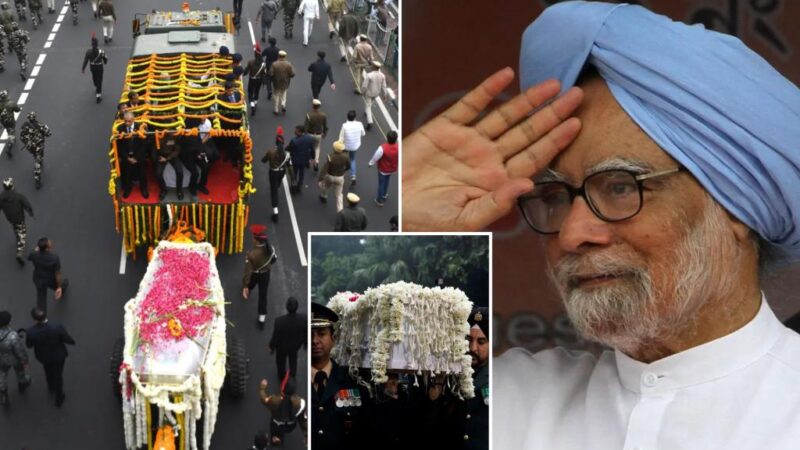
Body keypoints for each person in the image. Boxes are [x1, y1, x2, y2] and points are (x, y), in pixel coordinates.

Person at [403, 3, 800, 449]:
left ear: (735, 209)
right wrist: (403, 215)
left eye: (619, 187)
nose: (571, 236)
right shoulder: (503, 402)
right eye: (554, 197)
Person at [311, 302, 370, 449]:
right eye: (309, 335)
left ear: (333, 339)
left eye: (321, 334)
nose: (314, 341)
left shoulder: (351, 381)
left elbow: (363, 430)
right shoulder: (295, 381)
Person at [25, 307, 75, 407]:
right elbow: (67, 338)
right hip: (59, 356)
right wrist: (72, 342)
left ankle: (51, 386)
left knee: (48, 370)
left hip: (43, 357)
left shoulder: (31, 332)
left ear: (34, 319)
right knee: (58, 375)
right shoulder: (57, 327)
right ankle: (59, 397)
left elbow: (29, 345)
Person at [243, 224, 277, 330]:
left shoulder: (252, 254)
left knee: (251, 283)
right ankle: (261, 319)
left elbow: (247, 271)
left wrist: (245, 285)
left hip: (256, 274)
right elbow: (274, 259)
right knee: (263, 295)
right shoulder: (270, 248)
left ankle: (248, 289)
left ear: (256, 240)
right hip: (266, 274)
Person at [259, 376, 308, 446]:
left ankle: (276, 441)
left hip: (276, 425)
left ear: (282, 389)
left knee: (275, 439)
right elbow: (303, 420)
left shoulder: (274, 401)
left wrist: (262, 388)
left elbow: (263, 399)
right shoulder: (300, 403)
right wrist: (307, 434)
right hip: (290, 426)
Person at [269, 296, 306, 381]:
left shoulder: (279, 321)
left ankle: (282, 377)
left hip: (282, 347)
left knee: (280, 362)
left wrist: (271, 347)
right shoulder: (304, 319)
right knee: (293, 359)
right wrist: (306, 344)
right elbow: (306, 332)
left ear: (286, 307)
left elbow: (275, 336)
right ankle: (292, 376)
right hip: (295, 346)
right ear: (297, 307)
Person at [260, 126, 292, 222]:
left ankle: (275, 211)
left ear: (276, 142)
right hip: (282, 172)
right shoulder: (287, 154)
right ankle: (277, 185)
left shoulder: (271, 152)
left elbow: (264, 160)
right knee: (277, 183)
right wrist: (293, 179)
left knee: (274, 192)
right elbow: (289, 166)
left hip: (273, 172)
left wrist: (265, 159)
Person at [28, 237, 68, 312]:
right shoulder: (54, 258)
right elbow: (57, 274)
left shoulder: (34, 254)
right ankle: (62, 289)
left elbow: (29, 257)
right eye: (49, 243)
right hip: (50, 279)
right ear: (47, 249)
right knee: (61, 285)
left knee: (41, 298)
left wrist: (35, 250)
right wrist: (59, 286)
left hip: (38, 278)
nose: (51, 243)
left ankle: (41, 317)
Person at [0, 177, 34, 265]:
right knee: (23, 236)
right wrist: (31, 213)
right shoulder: (18, 196)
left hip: (11, 219)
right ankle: (19, 253)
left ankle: (17, 235)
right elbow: (27, 205)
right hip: (19, 219)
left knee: (15, 227)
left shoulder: (1, 198)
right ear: (12, 186)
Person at [0, 310, 31, 405]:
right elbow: (19, 351)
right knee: (20, 371)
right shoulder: (13, 336)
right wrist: (25, 361)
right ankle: (22, 384)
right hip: (14, 359)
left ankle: (3, 391)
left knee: (2, 375)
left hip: (1, 359)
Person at [117, 111, 149, 199]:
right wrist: (127, 158)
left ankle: (144, 189)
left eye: (129, 121)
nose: (127, 123)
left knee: (142, 173)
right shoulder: (120, 128)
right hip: (127, 157)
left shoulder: (140, 127)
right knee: (127, 174)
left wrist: (136, 158)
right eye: (125, 121)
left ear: (133, 120)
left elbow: (144, 144)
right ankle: (128, 189)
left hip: (139, 156)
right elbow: (119, 146)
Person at [19, 111, 51, 189]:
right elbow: (49, 134)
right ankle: (37, 180)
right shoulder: (40, 125)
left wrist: (28, 142)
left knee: (36, 156)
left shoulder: (25, 126)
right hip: (39, 146)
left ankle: (39, 161)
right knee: (38, 161)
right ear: (35, 117)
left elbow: (21, 137)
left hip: (31, 148)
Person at [216, 80, 244, 166]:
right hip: (227, 123)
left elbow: (241, 107)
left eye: (232, 90)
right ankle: (228, 155)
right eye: (229, 91)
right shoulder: (220, 98)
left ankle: (234, 158)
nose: (231, 93)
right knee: (228, 141)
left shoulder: (237, 95)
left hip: (237, 123)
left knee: (236, 141)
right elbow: (220, 112)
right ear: (225, 90)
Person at [179, 119, 209, 197]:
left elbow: (199, 143)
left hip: (196, 153)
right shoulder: (184, 132)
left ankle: (201, 185)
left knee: (206, 166)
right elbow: (186, 148)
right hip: (186, 156)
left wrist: (200, 153)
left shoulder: (196, 130)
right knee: (195, 173)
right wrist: (197, 153)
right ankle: (192, 187)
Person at [367, 129, 397, 206]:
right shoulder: (398, 147)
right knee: (387, 181)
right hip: (392, 169)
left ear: (387, 138)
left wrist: (371, 163)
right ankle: (384, 194)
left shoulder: (382, 148)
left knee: (381, 183)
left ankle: (379, 200)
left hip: (383, 169)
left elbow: (376, 157)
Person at [318, 141, 349, 211]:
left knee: (325, 186)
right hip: (340, 177)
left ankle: (324, 196)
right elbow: (348, 166)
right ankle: (340, 210)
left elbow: (325, 168)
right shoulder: (346, 157)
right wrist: (344, 171)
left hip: (330, 176)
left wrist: (320, 178)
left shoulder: (330, 157)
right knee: (339, 195)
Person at [339, 110, 365, 185]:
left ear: (347, 117)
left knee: (344, 159)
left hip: (345, 146)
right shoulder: (359, 124)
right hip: (355, 146)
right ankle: (353, 176)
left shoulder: (344, 125)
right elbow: (363, 134)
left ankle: (342, 174)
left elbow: (341, 137)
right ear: (355, 117)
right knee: (352, 159)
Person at [286, 125, 315, 194]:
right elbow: (312, 149)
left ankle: (293, 186)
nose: (294, 131)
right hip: (304, 160)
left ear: (299, 132)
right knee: (302, 173)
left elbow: (288, 148)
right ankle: (299, 186)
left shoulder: (294, 141)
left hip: (295, 160)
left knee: (294, 173)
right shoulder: (309, 138)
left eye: (296, 130)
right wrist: (312, 157)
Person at [81, 32, 107, 103]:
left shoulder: (88, 52)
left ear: (91, 44)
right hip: (99, 67)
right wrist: (104, 62)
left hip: (92, 67)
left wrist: (83, 68)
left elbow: (85, 61)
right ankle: (98, 96)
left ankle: (96, 85)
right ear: (97, 44)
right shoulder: (101, 51)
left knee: (94, 78)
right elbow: (105, 59)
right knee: (99, 81)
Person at [361, 60, 387, 131]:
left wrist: (362, 92)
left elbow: (364, 86)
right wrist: (385, 94)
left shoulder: (369, 75)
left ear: (374, 67)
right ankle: (366, 112)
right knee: (370, 104)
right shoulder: (382, 75)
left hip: (369, 93)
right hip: (376, 94)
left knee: (368, 106)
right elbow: (384, 86)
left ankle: (370, 122)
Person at [269, 50, 294, 116]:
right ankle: (283, 104)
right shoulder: (289, 64)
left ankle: (276, 109)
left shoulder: (274, 64)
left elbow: (271, 73)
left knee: (276, 95)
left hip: (276, 83)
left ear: (278, 56)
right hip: (285, 82)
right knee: (284, 94)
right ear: (285, 56)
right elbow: (292, 74)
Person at [304, 98, 328, 168]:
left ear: (312, 106)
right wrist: (324, 133)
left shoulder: (309, 115)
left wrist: (305, 134)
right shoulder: (323, 115)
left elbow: (306, 126)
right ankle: (316, 161)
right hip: (318, 134)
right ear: (319, 106)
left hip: (309, 134)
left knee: (308, 147)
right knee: (317, 147)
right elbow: (325, 126)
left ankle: (308, 161)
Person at [244, 43, 267, 116]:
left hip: (252, 79)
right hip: (259, 80)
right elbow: (264, 72)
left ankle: (252, 105)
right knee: (257, 91)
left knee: (250, 93)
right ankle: (256, 101)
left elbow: (246, 71)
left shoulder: (250, 62)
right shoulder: (263, 64)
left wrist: (242, 73)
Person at [0, 90, 20, 157]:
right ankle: (9, 147)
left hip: (3, 121)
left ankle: (11, 135)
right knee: (12, 131)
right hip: (10, 120)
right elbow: (17, 110)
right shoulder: (11, 103)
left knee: (8, 129)